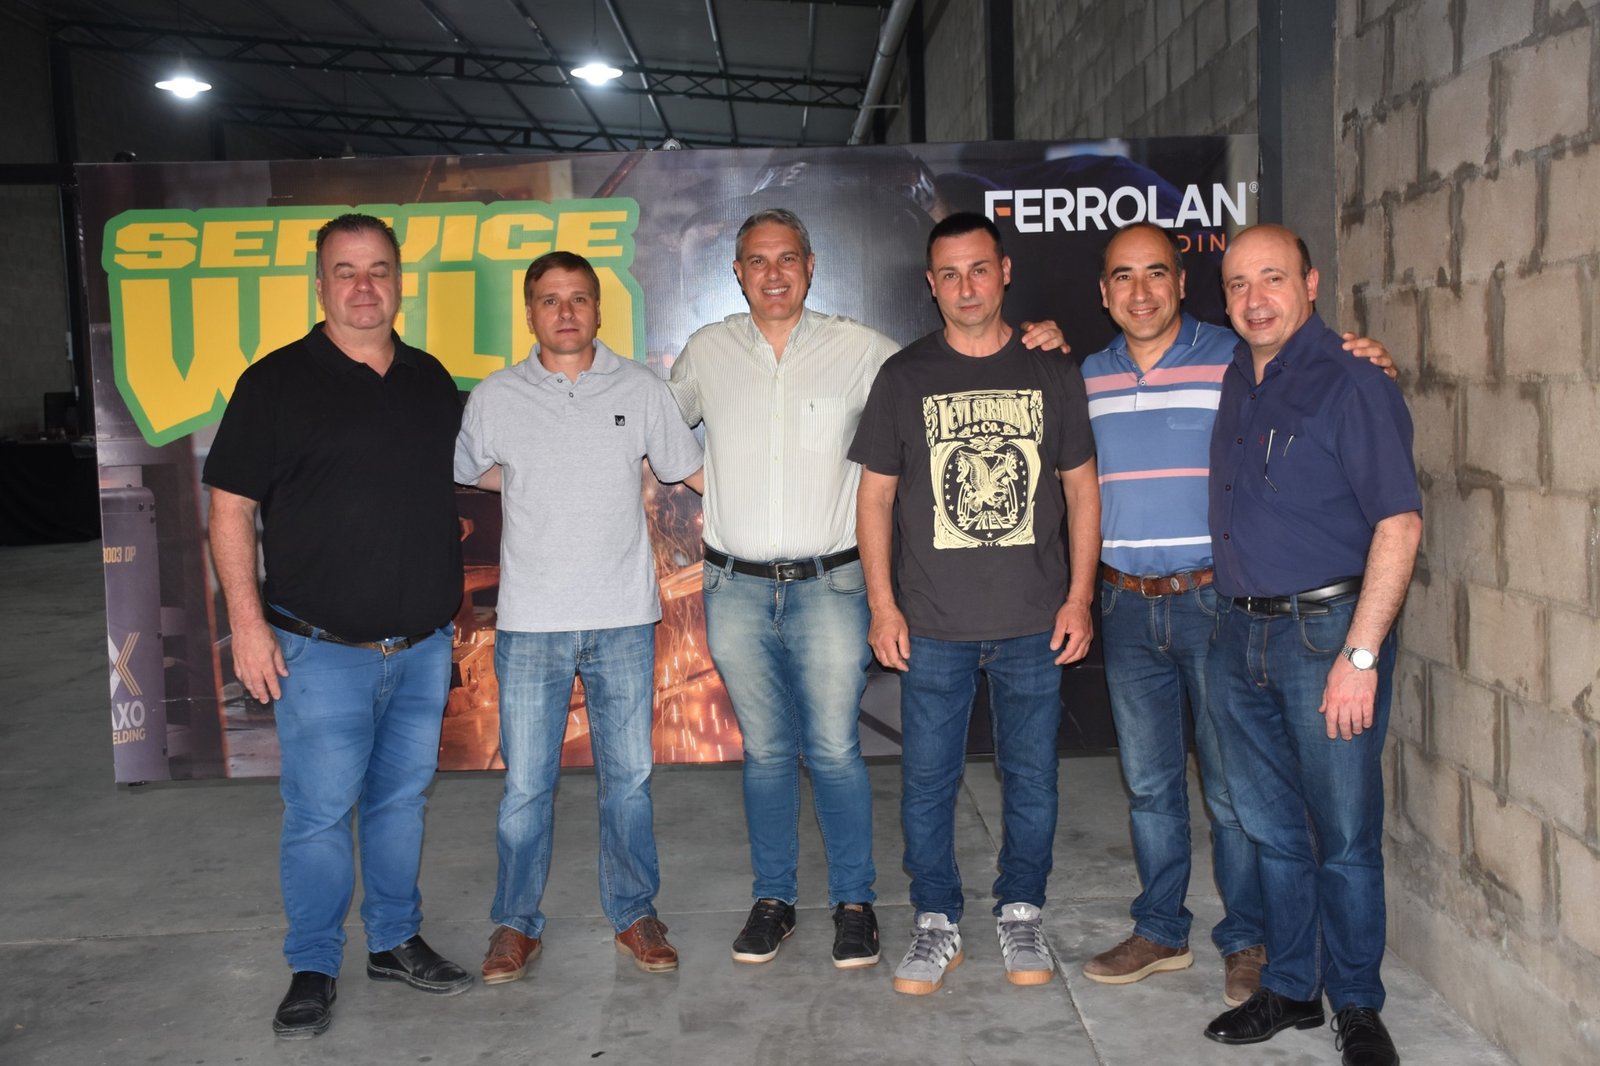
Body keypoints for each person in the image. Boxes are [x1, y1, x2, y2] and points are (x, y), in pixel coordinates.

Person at [668, 208, 1066, 971]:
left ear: (811, 266)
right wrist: (713, 485)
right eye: (758, 261)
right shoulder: (706, 352)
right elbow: (657, 430)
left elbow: (958, 357)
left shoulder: (863, 351)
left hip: (832, 586)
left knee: (833, 750)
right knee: (766, 754)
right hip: (734, 587)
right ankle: (774, 899)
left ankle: (855, 904)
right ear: (738, 273)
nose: (774, 273)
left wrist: (1036, 336)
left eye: (788, 258)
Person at [1079, 222, 1394, 1007]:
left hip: (1217, 602)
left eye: (1157, 272)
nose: (1141, 291)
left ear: (1185, 284)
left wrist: (1370, 356)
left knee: (1233, 794)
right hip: (1125, 604)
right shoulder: (1086, 374)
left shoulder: (1232, 355)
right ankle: (1160, 928)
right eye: (1123, 276)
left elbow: (1316, 369)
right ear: (1103, 292)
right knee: (1149, 785)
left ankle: (1248, 941)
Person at [204, 214, 472, 1040]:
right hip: (318, 651)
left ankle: (393, 941)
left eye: (379, 269)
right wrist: (247, 625)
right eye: (346, 271)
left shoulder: (430, 379)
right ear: (319, 284)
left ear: (400, 282)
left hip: (421, 648)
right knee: (320, 814)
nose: (364, 286)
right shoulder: (275, 382)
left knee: (399, 804)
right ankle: (313, 964)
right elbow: (229, 509)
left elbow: (483, 471)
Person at [849, 212, 1100, 995]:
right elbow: (874, 498)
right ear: (932, 284)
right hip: (933, 624)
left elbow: (1082, 490)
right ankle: (936, 920)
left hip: (1034, 620)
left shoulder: (1051, 368)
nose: (966, 287)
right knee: (927, 780)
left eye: (979, 269)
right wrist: (883, 606)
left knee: (1031, 777)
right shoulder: (904, 376)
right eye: (950, 274)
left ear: (1005, 271)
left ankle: (1022, 909)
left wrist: (1080, 598)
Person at [1200, 224, 1420, 1066]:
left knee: (1344, 835)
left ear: (1311, 283)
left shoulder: (1353, 381)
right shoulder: (1236, 375)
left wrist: (1359, 658)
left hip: (1325, 635)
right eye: (1238, 284)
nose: (1255, 299)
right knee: (1271, 830)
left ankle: (1358, 1005)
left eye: (1273, 278)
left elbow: (1399, 523)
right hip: (1237, 634)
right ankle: (1292, 986)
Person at [454, 251, 703, 983]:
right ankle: (514, 923)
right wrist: (531, 478)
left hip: (623, 619)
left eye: (579, 299)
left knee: (628, 782)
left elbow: (684, 467)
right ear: (530, 312)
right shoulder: (497, 396)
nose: (565, 312)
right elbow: (470, 469)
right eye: (550, 300)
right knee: (526, 788)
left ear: (598, 308)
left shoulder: (640, 388)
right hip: (531, 624)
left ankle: (634, 913)